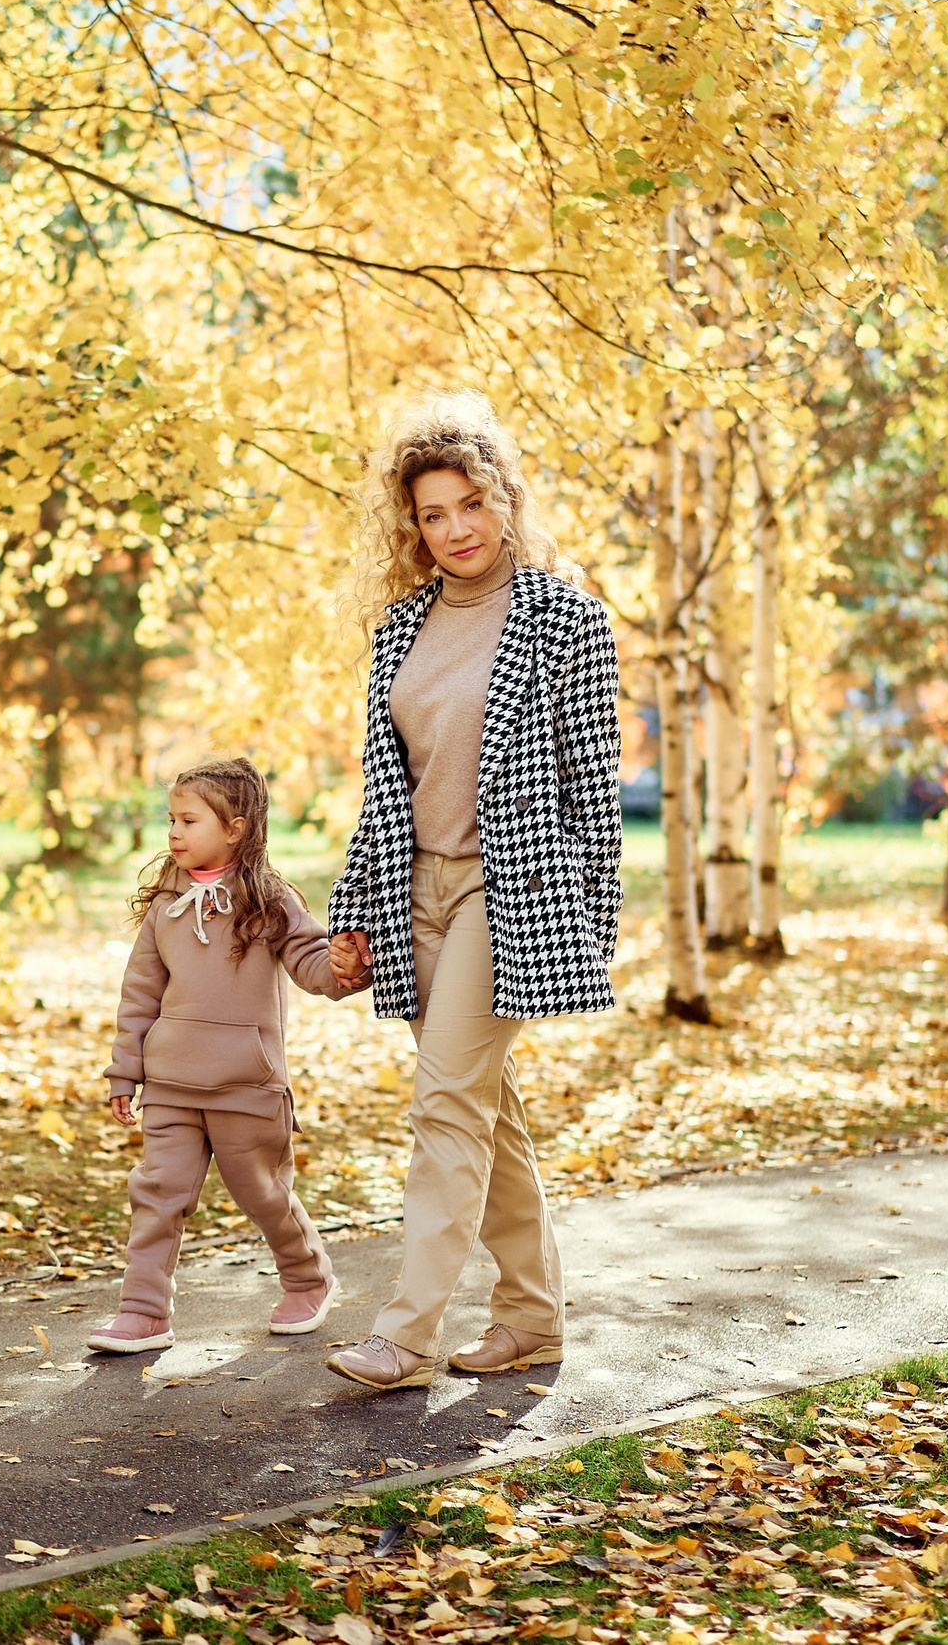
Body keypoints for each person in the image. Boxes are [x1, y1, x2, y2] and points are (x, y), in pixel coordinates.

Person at [320, 391, 623, 1390]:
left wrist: (591, 926)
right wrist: (355, 914)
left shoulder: (566, 619)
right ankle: (533, 1319)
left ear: (504, 499)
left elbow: (593, 788)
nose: (455, 529)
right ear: (412, 527)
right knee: (485, 1112)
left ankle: (406, 1336)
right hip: (417, 894)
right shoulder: (399, 630)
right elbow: (385, 789)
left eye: (470, 504)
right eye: (432, 514)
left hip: (512, 892)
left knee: (446, 1103)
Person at [86, 758, 364, 1354]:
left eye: (188, 821)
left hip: (246, 1084)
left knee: (263, 1193)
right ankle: (143, 1312)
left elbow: (312, 963)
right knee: (157, 1194)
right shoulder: (166, 905)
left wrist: (345, 969)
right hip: (171, 1083)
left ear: (235, 829)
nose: (174, 832)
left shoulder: (271, 900)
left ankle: (308, 1279)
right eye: (171, 820)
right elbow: (140, 994)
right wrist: (124, 1071)